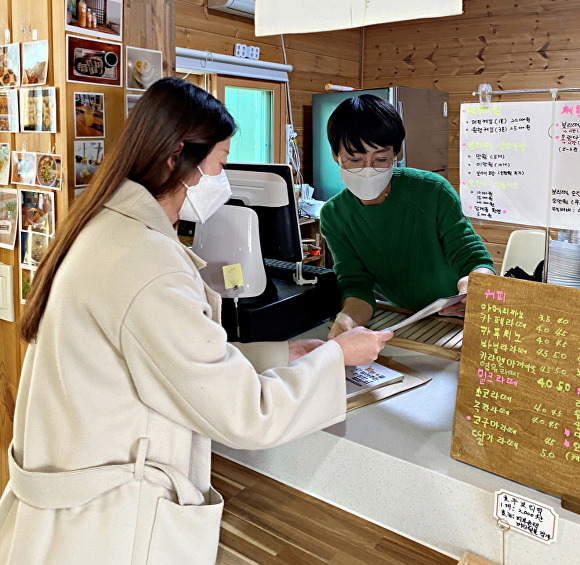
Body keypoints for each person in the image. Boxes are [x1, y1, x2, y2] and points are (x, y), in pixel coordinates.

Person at [0, 78, 390, 565]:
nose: (222, 182)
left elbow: (173, 359)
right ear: (177, 157)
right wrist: (336, 356)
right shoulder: (147, 264)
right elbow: (248, 415)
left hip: (70, 507)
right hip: (106, 524)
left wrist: (283, 354)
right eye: (221, 165)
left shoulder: (106, 228)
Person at [320, 94, 495, 339]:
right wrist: (347, 320)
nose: (368, 170)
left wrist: (474, 288)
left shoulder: (432, 191)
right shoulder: (334, 215)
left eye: (381, 159)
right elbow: (356, 284)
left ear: (397, 153)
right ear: (335, 155)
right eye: (355, 159)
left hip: (459, 319)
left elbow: (472, 257)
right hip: (404, 316)